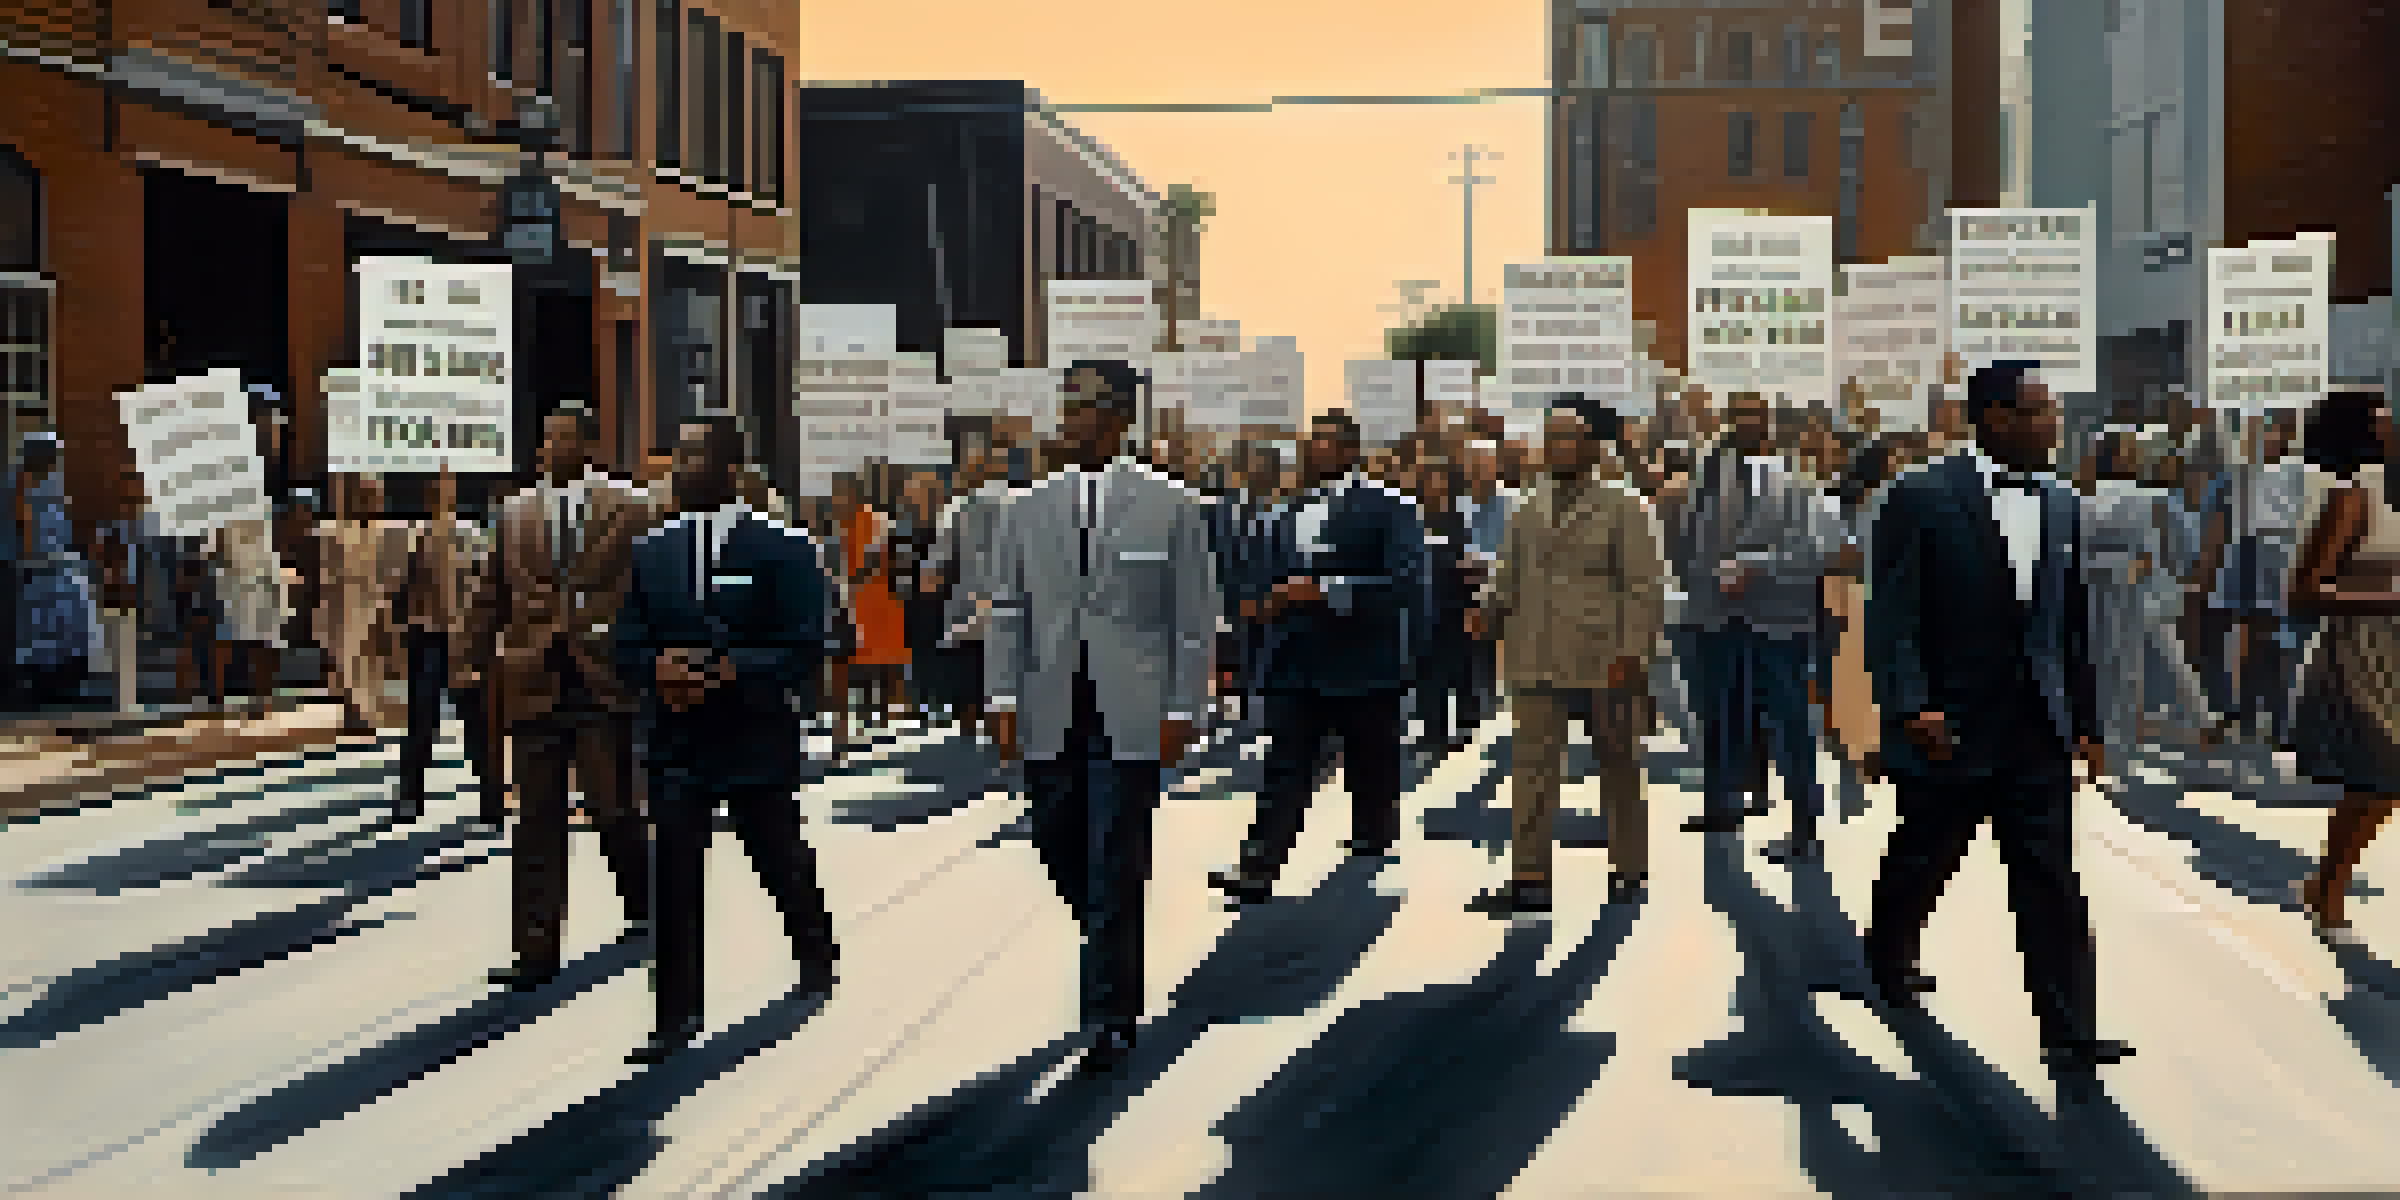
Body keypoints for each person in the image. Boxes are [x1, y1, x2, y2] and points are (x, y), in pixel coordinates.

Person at [1862, 360, 2131, 1092]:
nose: (2054, 425)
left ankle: (2071, 1032)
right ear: (1995, 417)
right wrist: (1911, 704)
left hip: (2035, 730)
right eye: (2041, 412)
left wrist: (2087, 720)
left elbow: (2070, 625)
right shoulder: (1919, 495)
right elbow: (1892, 616)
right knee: (1925, 857)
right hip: (1948, 724)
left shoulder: (2063, 504)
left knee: (2050, 880)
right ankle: (1888, 958)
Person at [986, 359, 1215, 1074]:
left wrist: (1184, 707)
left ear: (1118, 419)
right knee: (1059, 842)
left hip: (1133, 710)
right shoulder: (1025, 509)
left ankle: (1110, 1015)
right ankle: (1109, 939)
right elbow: (1008, 611)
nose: (1071, 419)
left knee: (1116, 854)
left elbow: (1191, 621)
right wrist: (1001, 699)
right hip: (1051, 705)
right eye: (1068, 406)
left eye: (1085, 408)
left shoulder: (1172, 506)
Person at [617, 415, 837, 1063]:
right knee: (674, 878)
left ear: (730, 470)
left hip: (753, 740)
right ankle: (674, 1017)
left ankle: (815, 952)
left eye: (691, 456)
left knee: (780, 860)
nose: (678, 466)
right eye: (677, 455)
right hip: (676, 742)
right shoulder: (651, 551)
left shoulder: (786, 548)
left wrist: (732, 670)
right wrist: (657, 669)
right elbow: (627, 640)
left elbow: (806, 646)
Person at [1211, 409, 1427, 905]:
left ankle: (1373, 839)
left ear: (1352, 450)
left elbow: (1406, 585)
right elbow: (1260, 579)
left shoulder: (1389, 506)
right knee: (1285, 766)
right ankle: (1259, 865)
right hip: (1296, 663)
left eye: (1327, 442)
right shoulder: (1283, 513)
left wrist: (1326, 590)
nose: (1315, 450)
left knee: (1372, 764)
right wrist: (1254, 606)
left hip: (1364, 665)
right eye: (1312, 442)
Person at [478, 412, 654, 991]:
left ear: (590, 444)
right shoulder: (514, 514)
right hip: (534, 680)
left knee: (613, 810)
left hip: (603, 681)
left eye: (568, 438)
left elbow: (650, 587)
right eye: (549, 438)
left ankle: (644, 901)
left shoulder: (632, 509)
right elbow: (492, 592)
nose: (555, 447)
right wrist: (472, 657)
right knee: (536, 822)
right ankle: (535, 951)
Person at [1469, 404, 1664, 913]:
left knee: (1619, 766)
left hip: (1605, 661)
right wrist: (1488, 613)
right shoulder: (1527, 505)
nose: (1557, 447)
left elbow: (1645, 588)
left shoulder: (1626, 504)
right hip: (1534, 656)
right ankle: (1530, 877)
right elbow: (1507, 573)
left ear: (1592, 446)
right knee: (1533, 770)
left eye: (1567, 438)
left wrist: (1631, 654)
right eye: (1550, 437)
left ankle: (1629, 869)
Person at [1679, 389, 1844, 861]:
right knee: (1719, 716)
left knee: (1792, 726)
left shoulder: (1800, 483)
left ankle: (1805, 829)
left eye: (1755, 414)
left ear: (1772, 423)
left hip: (1780, 623)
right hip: (1716, 616)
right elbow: (1693, 541)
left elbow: (1822, 552)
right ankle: (1722, 804)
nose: (1746, 422)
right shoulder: (1708, 477)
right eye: (1739, 414)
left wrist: (1756, 565)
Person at [2290, 389, 2400, 940]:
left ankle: (2326, 882)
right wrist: (2387, 598)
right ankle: (2329, 889)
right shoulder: (2357, 498)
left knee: (2385, 788)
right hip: (2363, 656)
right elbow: (2304, 591)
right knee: (2374, 782)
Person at [11, 433, 100, 706]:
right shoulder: (23, 489)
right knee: (47, 630)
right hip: (42, 571)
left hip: (59, 570)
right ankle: (49, 683)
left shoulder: (54, 490)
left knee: (69, 626)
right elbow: (27, 536)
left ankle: (66, 680)